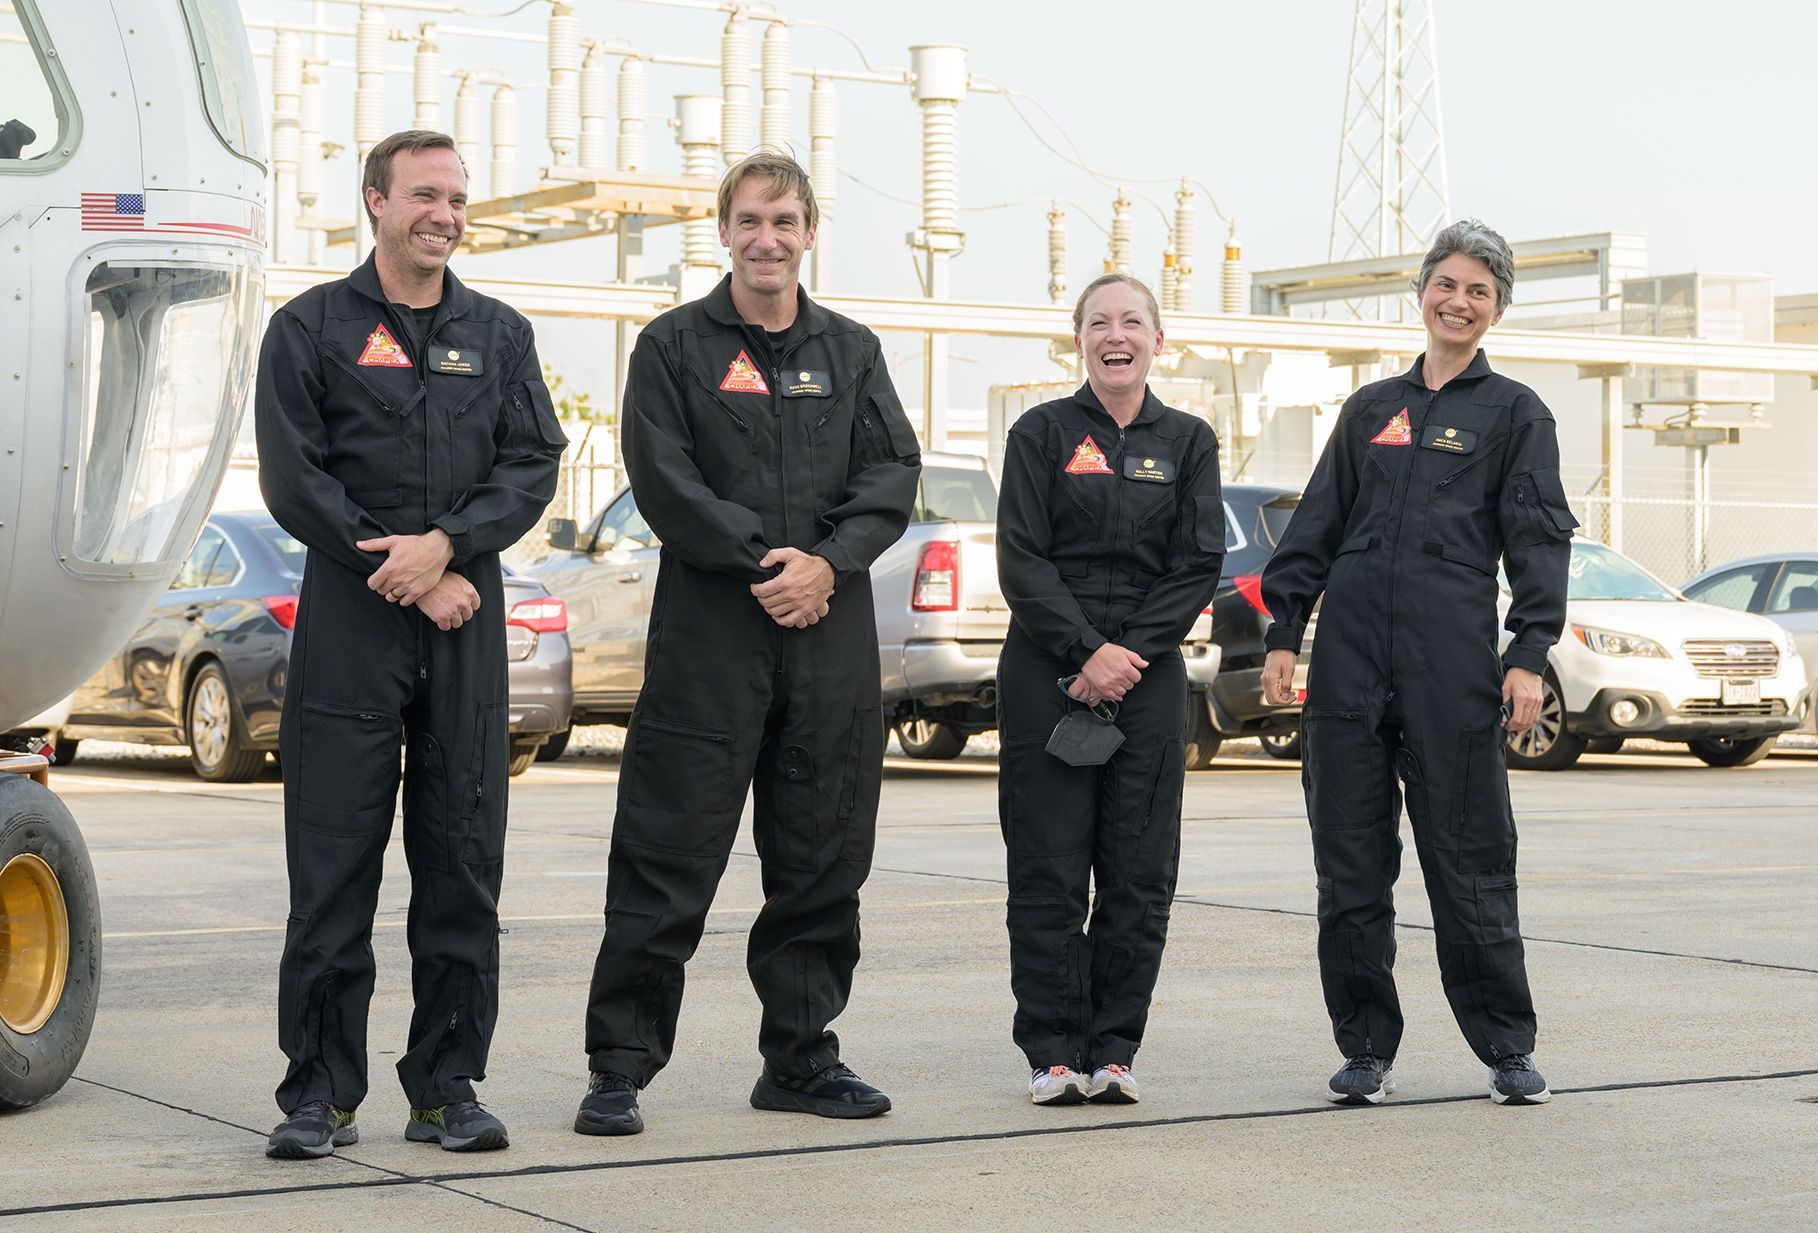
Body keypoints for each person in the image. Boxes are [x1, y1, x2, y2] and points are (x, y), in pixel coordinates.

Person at [574, 152, 920, 1136]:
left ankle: (801, 1061)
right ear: (722, 231)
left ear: (809, 232)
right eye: (748, 220)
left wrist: (828, 563)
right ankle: (619, 1066)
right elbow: (662, 474)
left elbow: (891, 472)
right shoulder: (674, 347)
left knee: (819, 859)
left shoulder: (850, 351)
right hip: (710, 641)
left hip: (828, 643)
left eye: (784, 220)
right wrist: (764, 561)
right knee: (666, 853)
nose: (766, 238)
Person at [256, 129, 565, 1158]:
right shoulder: (307, 329)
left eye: (458, 199)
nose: (445, 213)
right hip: (352, 625)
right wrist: (403, 571)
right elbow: (295, 478)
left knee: (462, 865)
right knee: (332, 869)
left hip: (464, 629)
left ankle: (445, 1088)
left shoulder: (502, 333)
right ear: (376, 202)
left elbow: (530, 464)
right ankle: (318, 1095)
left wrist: (448, 551)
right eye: (426, 195)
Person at [1259, 219, 1575, 1108]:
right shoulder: (1369, 411)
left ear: (1497, 310)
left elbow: (1537, 540)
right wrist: (1286, 631)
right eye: (1448, 284)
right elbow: (1315, 527)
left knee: (1470, 860)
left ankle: (1507, 1048)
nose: (1459, 302)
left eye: (1479, 290)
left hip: (1451, 669)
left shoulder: (1515, 413)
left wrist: (1528, 654)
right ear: (1422, 292)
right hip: (1351, 666)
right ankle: (1364, 1047)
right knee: (1350, 868)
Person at [993, 272, 1224, 1106]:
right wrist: (1087, 651)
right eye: (1098, 322)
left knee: (1138, 869)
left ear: (1159, 341)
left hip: (1148, 680)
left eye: (1132, 321)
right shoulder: (1041, 433)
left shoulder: (1191, 440)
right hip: (1047, 675)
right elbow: (1022, 558)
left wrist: (1127, 652)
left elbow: (1197, 562)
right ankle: (1052, 1050)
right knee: (1048, 868)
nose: (1114, 334)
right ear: (1079, 340)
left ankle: (1114, 1049)